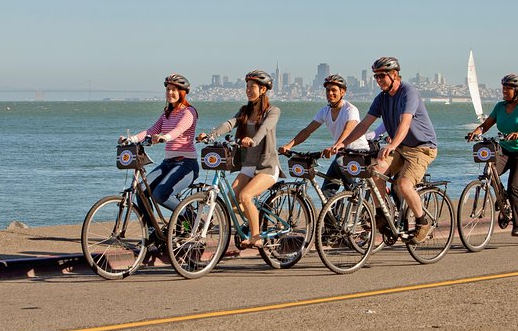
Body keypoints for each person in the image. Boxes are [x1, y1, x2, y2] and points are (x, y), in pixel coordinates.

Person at [332, 56, 438, 243]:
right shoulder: (381, 98)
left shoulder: (408, 92)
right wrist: (344, 142)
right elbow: (364, 124)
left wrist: (391, 145)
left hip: (422, 148)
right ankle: (382, 214)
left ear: (394, 74)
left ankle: (422, 221)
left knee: (404, 184)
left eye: (382, 76)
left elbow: (405, 124)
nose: (378, 80)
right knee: (374, 174)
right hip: (401, 147)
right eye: (376, 77)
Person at [197, 70, 281, 249]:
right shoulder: (244, 111)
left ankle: (256, 236)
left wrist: (254, 140)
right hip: (248, 166)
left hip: (267, 167)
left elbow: (265, 128)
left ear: (263, 90)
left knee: (245, 195)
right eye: (247, 87)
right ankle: (253, 219)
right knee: (232, 202)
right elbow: (230, 123)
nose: (248, 90)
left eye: (253, 87)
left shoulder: (273, 111)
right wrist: (210, 136)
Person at [119, 74, 199, 234]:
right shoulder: (166, 114)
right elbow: (151, 131)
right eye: (168, 90)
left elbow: (179, 130)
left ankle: (194, 219)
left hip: (186, 164)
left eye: (174, 90)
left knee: (160, 194)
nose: (170, 93)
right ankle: (152, 231)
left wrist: (165, 137)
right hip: (168, 163)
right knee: (141, 191)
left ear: (183, 92)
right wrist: (130, 139)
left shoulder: (189, 112)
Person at [467, 73, 518, 236]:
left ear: (517, 90)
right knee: (490, 174)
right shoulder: (500, 106)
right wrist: (475, 132)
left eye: (508, 88)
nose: (504, 90)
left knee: (514, 186)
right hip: (505, 150)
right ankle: (503, 200)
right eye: (503, 87)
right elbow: (486, 124)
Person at [278, 74, 369, 197]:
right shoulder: (325, 111)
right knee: (326, 192)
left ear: (343, 92)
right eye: (327, 90)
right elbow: (307, 131)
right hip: (341, 152)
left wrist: (336, 145)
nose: (330, 93)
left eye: (334, 90)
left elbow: (348, 129)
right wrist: (289, 145)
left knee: (341, 164)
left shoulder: (350, 110)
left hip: (358, 153)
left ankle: (355, 195)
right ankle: (331, 214)